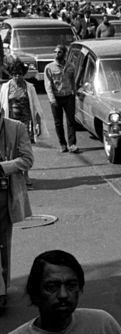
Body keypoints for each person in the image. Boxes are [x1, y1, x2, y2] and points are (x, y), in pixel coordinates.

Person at [7, 250, 121, 333]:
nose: (63, 295)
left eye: (71, 285)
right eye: (52, 287)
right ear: (35, 292)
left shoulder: (102, 324)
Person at [0, 108, 33, 311]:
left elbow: (27, 160)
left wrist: (3, 167)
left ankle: (2, 290)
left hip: (4, 194)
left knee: (3, 244)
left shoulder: (17, 128)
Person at [44, 45, 77, 153]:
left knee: (71, 121)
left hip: (68, 97)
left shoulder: (70, 66)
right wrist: (52, 99)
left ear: (64, 53)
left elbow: (73, 81)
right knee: (58, 123)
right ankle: (62, 144)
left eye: (59, 52)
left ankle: (72, 144)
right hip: (56, 98)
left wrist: (74, 93)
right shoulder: (49, 67)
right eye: (55, 52)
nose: (57, 54)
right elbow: (48, 85)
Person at [0, 60, 43, 144]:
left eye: (19, 74)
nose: (17, 76)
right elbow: (1, 107)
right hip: (11, 121)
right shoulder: (5, 88)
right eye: (15, 74)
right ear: (11, 74)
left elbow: (36, 108)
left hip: (25, 122)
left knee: (24, 144)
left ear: (23, 74)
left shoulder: (30, 88)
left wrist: (38, 125)